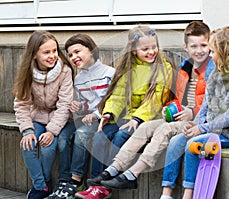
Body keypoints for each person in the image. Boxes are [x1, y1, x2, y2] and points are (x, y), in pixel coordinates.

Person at [86, 21, 215, 190]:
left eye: (203, 45)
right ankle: (113, 169)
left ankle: (131, 174)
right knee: (143, 128)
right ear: (186, 47)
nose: (199, 51)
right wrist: (169, 109)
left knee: (158, 130)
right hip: (177, 117)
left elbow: (209, 104)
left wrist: (190, 112)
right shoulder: (186, 67)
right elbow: (177, 98)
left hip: (200, 122)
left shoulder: (213, 70)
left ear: (211, 45)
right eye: (194, 46)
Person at [160, 26, 229, 199]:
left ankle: (188, 194)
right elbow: (206, 105)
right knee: (176, 141)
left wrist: (202, 129)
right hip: (212, 128)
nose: (210, 55)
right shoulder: (215, 74)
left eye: (213, 51)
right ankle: (166, 193)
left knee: (194, 144)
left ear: (226, 53)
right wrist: (195, 124)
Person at [74, 25, 173, 198]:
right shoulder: (128, 68)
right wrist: (108, 114)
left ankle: (106, 187)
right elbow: (118, 96)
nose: (151, 52)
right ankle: (95, 183)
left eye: (154, 47)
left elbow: (155, 101)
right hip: (127, 116)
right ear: (134, 50)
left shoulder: (163, 68)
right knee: (101, 135)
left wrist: (137, 119)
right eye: (145, 49)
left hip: (148, 119)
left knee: (120, 136)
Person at [47, 34, 116, 199]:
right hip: (88, 118)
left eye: (77, 51)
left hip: (105, 118)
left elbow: (116, 101)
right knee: (63, 135)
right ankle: (63, 181)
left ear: (91, 50)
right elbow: (85, 107)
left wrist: (96, 114)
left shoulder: (109, 73)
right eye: (70, 55)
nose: (74, 57)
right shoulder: (79, 79)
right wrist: (78, 107)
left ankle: (76, 181)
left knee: (81, 135)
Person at [12, 30, 74, 199]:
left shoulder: (65, 71)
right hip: (37, 116)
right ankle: (41, 186)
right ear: (34, 54)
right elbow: (21, 104)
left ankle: (45, 181)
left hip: (58, 118)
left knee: (48, 147)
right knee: (28, 145)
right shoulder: (27, 72)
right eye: (46, 52)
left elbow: (64, 105)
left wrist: (52, 131)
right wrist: (27, 130)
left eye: (54, 51)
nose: (52, 55)